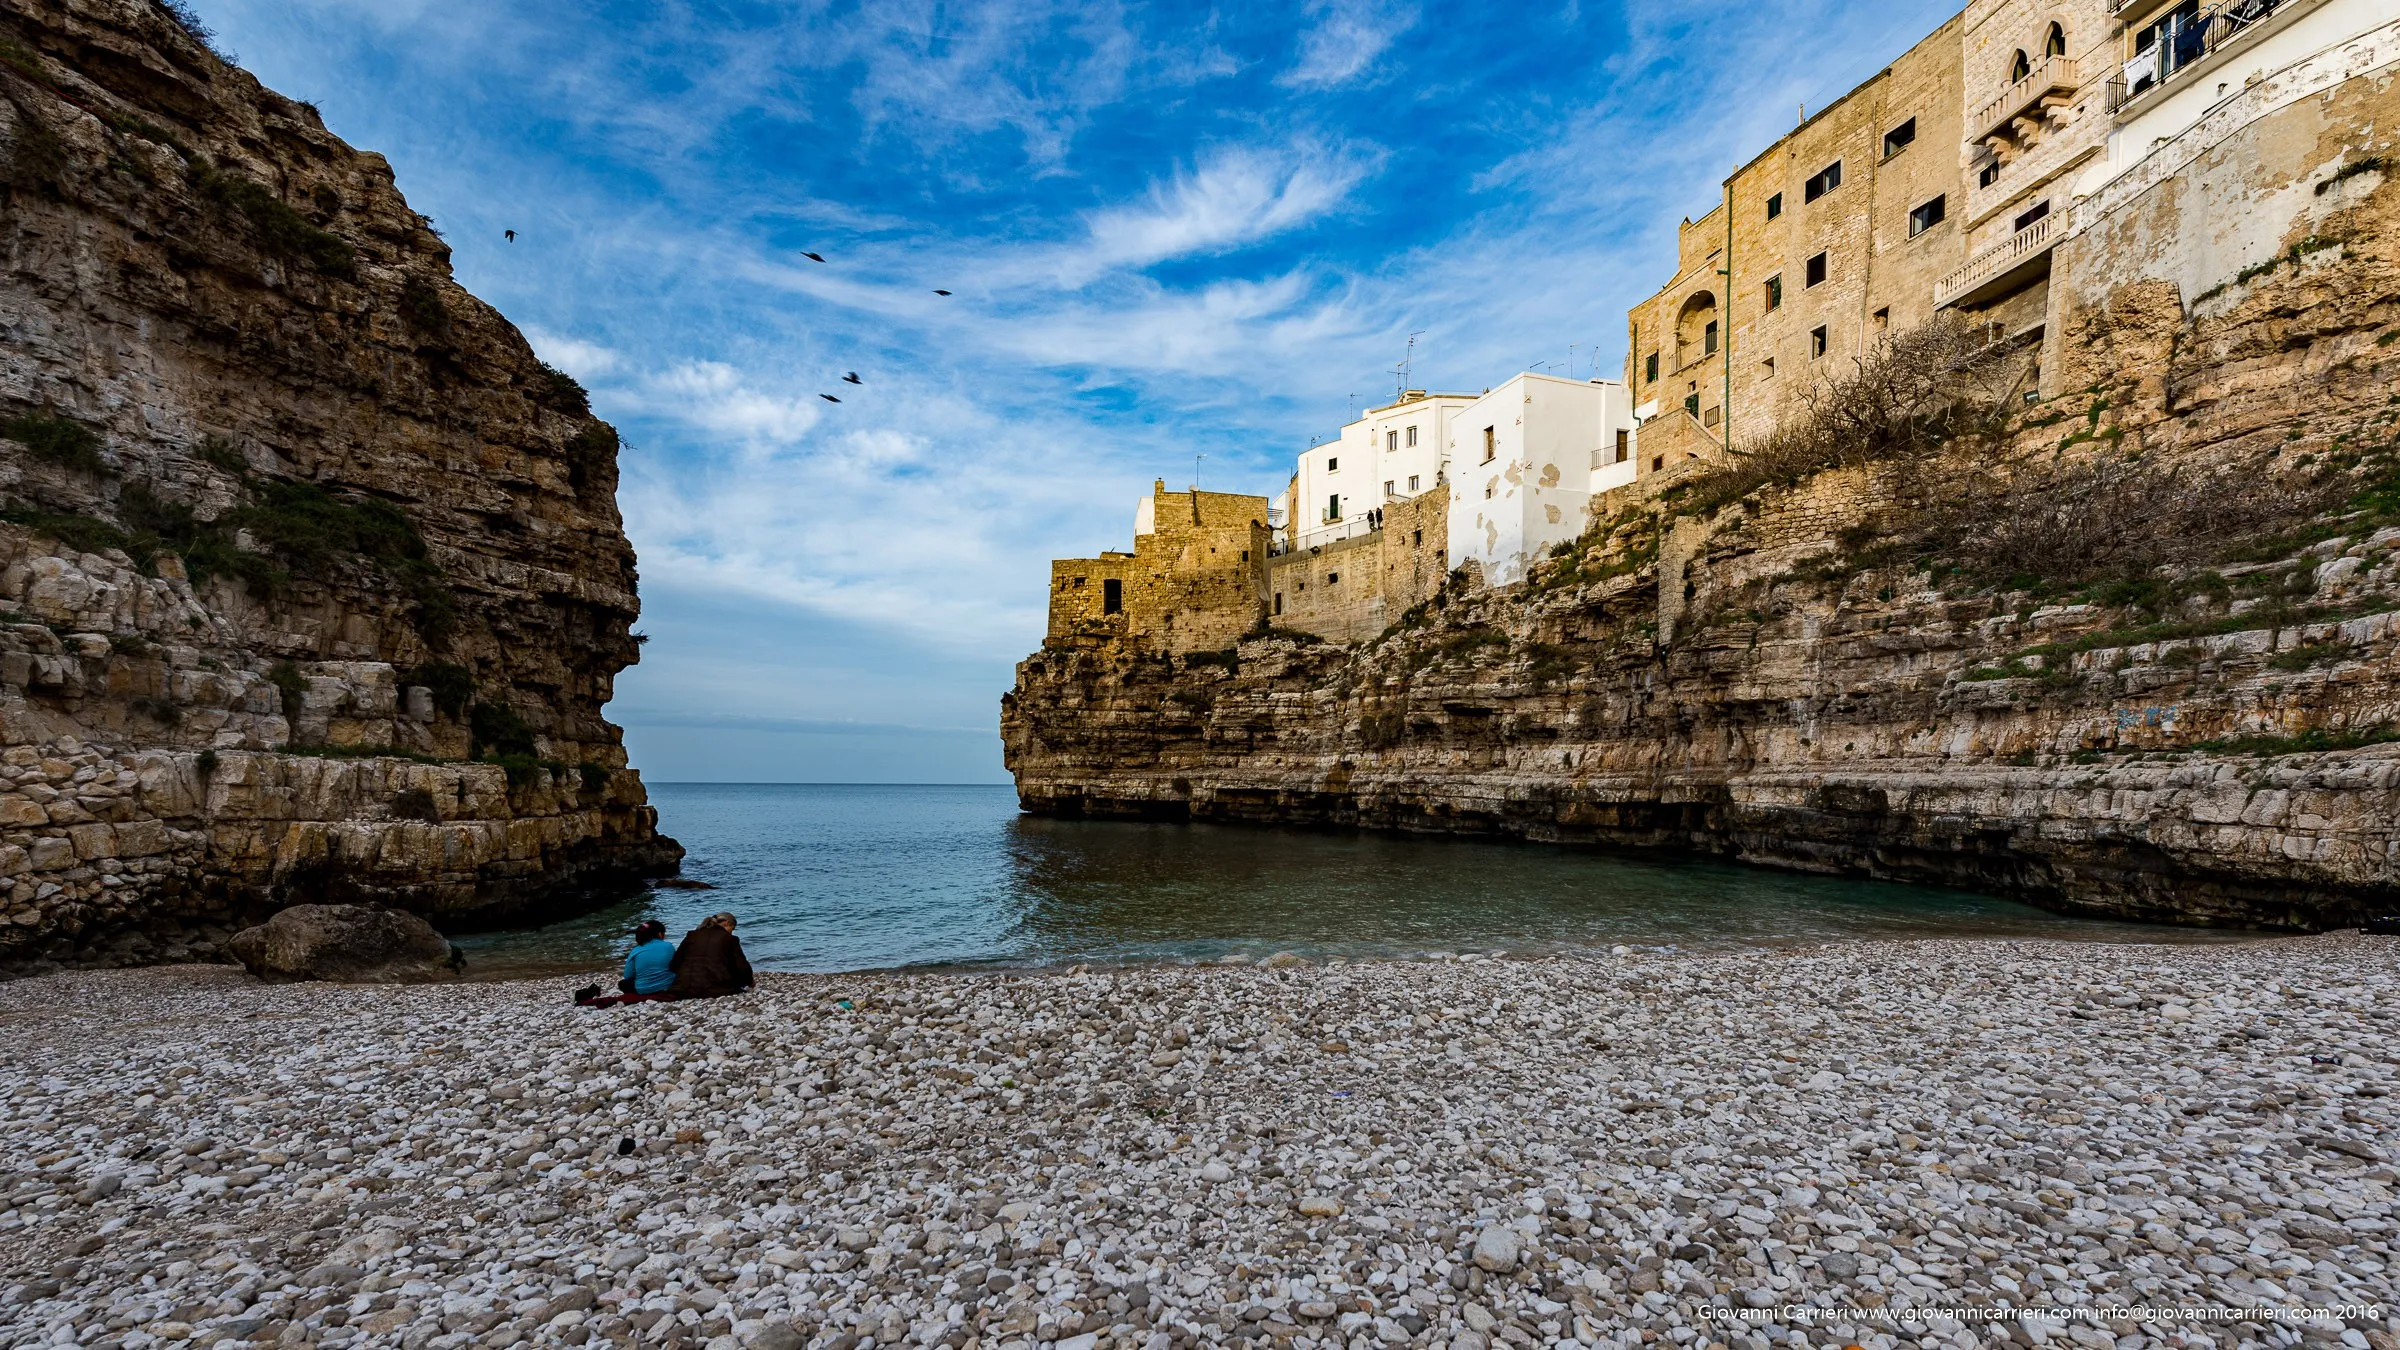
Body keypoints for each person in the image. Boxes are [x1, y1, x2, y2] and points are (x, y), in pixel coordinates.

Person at [669, 912, 755, 998]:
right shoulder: (729, 938)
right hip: (716, 988)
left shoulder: (692, 935)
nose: (731, 933)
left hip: (684, 988)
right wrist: (750, 981)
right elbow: (741, 965)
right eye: (732, 929)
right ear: (727, 923)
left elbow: (675, 963)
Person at [620, 919, 675, 997]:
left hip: (642, 990)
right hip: (667, 986)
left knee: (623, 984)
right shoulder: (669, 946)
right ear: (659, 934)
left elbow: (628, 975)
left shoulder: (635, 950)